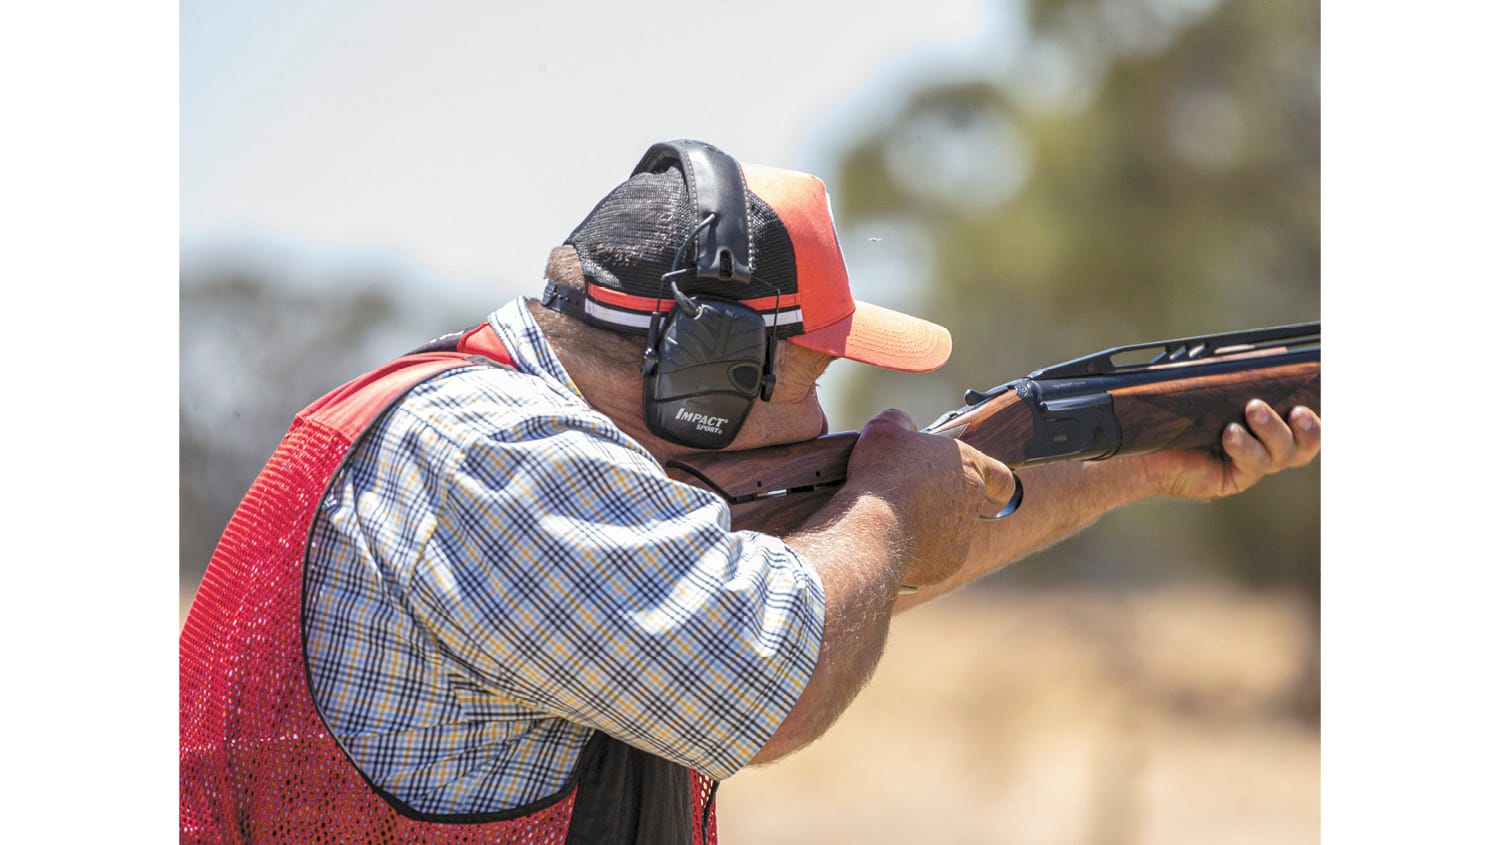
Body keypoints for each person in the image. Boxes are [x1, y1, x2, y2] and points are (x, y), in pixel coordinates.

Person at [179, 139, 1321, 843]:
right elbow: (778, 675)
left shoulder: (495, 429)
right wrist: (880, 498)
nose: (822, 430)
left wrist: (1138, 465)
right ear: (705, 373)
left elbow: (867, 572)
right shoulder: (500, 458)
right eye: (811, 383)